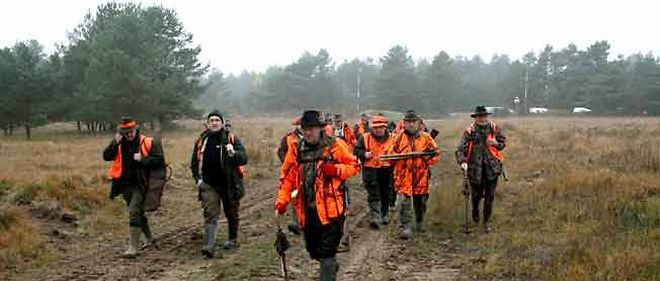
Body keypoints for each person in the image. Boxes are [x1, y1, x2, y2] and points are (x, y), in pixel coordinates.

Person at [275, 110, 359, 281]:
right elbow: (287, 178)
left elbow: (354, 166)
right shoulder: (296, 149)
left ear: (321, 128)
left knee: (327, 252)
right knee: (313, 250)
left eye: (312, 128)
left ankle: (328, 267)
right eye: (305, 128)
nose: (307, 132)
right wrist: (282, 200)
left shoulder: (335, 145)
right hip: (307, 210)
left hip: (331, 211)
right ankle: (329, 265)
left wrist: (336, 170)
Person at [103, 117, 165, 258]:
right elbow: (106, 156)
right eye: (126, 132)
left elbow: (160, 160)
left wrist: (142, 159)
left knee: (133, 210)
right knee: (137, 212)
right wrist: (114, 142)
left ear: (136, 129)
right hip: (124, 184)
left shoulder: (147, 142)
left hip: (141, 183)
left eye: (131, 131)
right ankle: (150, 238)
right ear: (122, 132)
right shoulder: (119, 143)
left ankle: (133, 248)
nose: (129, 134)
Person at [190, 110, 248, 258]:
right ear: (208, 123)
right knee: (210, 214)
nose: (214, 122)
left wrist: (233, 154)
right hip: (209, 185)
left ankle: (232, 239)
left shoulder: (231, 139)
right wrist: (198, 180)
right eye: (212, 120)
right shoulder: (202, 141)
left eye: (217, 120)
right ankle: (209, 246)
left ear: (222, 123)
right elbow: (194, 163)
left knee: (231, 213)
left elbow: (244, 158)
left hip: (229, 184)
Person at [390, 110, 440, 239]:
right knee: (404, 202)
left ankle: (419, 222)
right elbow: (391, 154)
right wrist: (395, 158)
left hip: (420, 175)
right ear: (404, 123)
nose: (411, 125)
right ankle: (406, 226)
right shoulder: (399, 137)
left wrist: (428, 157)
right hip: (403, 175)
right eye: (408, 122)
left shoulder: (426, 137)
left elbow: (436, 154)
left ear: (418, 123)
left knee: (421, 202)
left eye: (414, 122)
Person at [455, 105, 506, 233]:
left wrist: (496, 144)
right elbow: (460, 149)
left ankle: (486, 222)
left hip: (492, 169)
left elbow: (502, 144)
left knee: (490, 197)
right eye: (479, 117)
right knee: (476, 196)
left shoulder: (494, 128)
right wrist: (462, 162)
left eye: (484, 116)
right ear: (475, 118)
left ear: (487, 117)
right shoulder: (470, 131)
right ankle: (475, 211)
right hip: (474, 170)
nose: (482, 119)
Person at [353, 114, 394, 229]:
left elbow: (399, 151)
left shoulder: (393, 138)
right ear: (372, 128)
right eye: (376, 128)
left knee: (386, 193)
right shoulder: (364, 138)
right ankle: (376, 217)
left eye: (381, 127)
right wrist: (364, 154)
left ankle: (385, 214)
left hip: (387, 169)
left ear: (385, 127)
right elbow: (356, 150)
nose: (378, 130)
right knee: (373, 193)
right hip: (370, 170)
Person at [277, 116, 303, 234]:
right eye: (300, 125)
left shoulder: (316, 137)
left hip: (311, 171)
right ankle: (297, 223)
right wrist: (288, 163)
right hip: (294, 174)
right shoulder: (288, 138)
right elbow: (281, 151)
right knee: (295, 197)